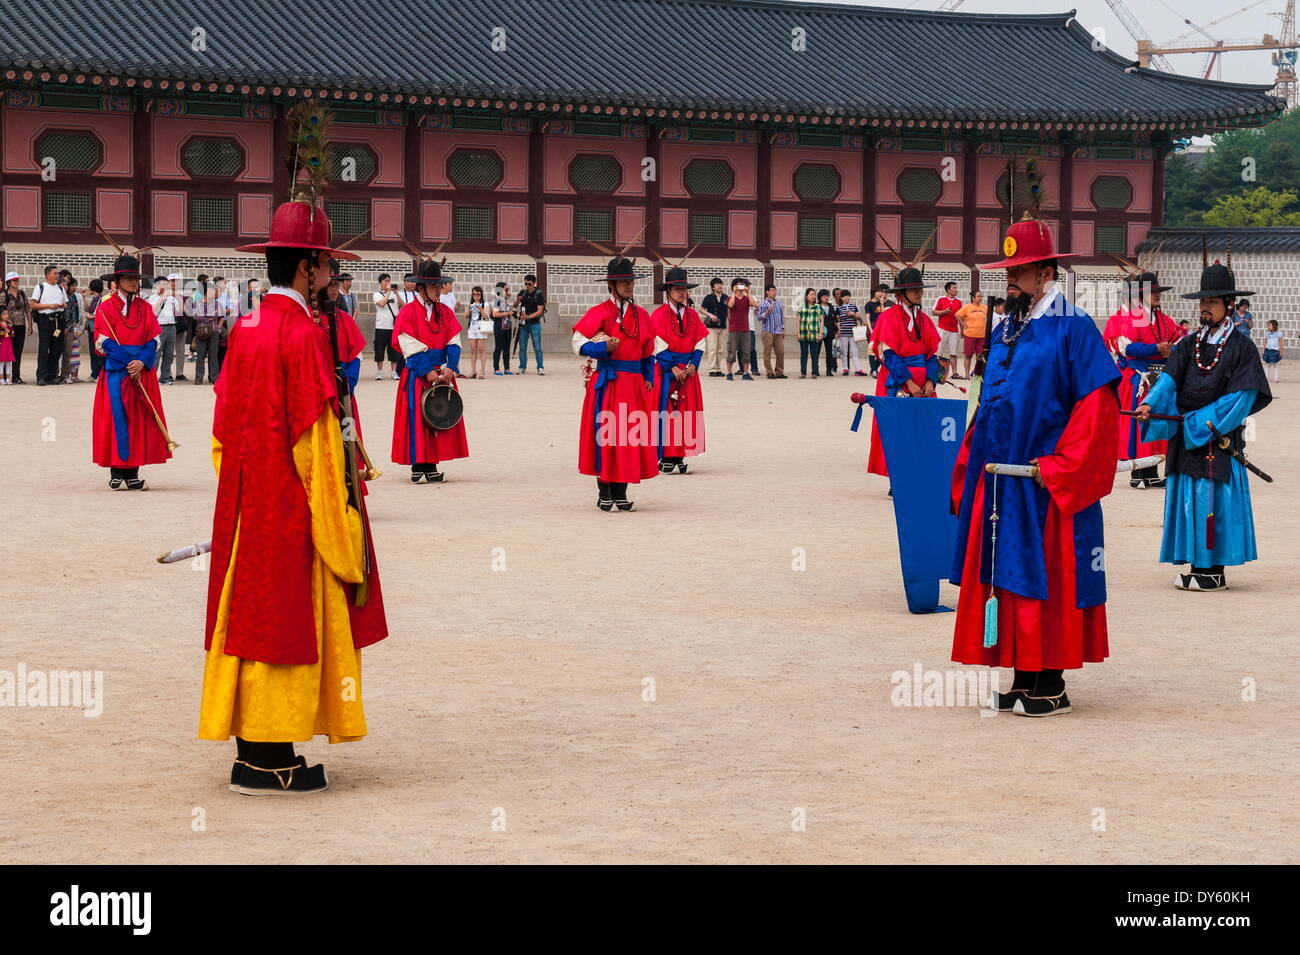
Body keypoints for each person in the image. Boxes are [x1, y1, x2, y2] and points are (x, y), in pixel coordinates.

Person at [201, 198, 387, 794]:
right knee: (286, 624)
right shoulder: (302, 334)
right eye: (327, 264)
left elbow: (222, 429)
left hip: (245, 498)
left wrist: (241, 485)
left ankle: (250, 751)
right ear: (308, 267)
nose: (331, 274)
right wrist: (339, 516)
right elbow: (317, 440)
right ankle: (269, 758)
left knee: (245, 619)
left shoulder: (248, 327)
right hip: (289, 503)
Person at [950, 218, 1120, 717]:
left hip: (1044, 481)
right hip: (1002, 478)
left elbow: (1097, 407)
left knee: (1051, 577)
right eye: (1009, 271)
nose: (1011, 280)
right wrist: (972, 459)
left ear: (1047, 272)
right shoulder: (1005, 327)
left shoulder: (1074, 327)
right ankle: (1022, 676)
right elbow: (991, 401)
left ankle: (1052, 682)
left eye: (1021, 271)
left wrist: (1062, 466)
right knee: (1007, 577)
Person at [1135, 255, 1272, 592]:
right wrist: (1151, 403)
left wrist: (1199, 421)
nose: (1205, 309)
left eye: (1212, 302)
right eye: (1203, 302)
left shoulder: (1242, 347)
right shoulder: (1189, 344)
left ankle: (1213, 572)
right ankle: (1197, 566)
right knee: (1187, 501)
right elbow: (1169, 379)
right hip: (1186, 433)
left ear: (1229, 304)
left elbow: (1242, 398)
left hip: (1216, 437)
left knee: (1213, 503)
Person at [573, 253, 659, 510]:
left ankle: (621, 492)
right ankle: (604, 491)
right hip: (608, 383)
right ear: (612, 285)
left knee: (628, 437)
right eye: (624, 282)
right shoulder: (599, 312)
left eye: (631, 281)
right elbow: (578, 343)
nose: (629, 286)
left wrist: (648, 377)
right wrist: (603, 349)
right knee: (607, 435)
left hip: (633, 385)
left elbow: (649, 350)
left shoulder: (641, 314)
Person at [90, 254, 172, 490]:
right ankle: (117, 472)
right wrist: (129, 362)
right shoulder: (105, 308)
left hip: (141, 373)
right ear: (117, 280)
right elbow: (102, 341)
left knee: (139, 421)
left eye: (136, 278)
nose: (134, 282)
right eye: (129, 278)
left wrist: (142, 362)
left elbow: (154, 339)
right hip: (117, 372)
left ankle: (133, 472)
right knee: (116, 420)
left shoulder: (145, 308)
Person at [391, 259, 468, 484]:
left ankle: (432, 464)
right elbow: (406, 343)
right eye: (435, 287)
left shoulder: (444, 311)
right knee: (417, 417)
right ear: (421, 288)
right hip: (417, 373)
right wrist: (426, 371)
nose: (439, 291)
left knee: (439, 417)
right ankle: (418, 464)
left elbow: (454, 340)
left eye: (439, 286)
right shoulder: (407, 313)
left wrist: (451, 367)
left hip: (442, 373)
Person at [1108, 270, 1185, 489]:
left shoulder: (1163, 319)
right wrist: (1155, 348)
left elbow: (1178, 337)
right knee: (1139, 425)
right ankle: (1137, 472)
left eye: (1158, 291)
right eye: (1153, 292)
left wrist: (1173, 349)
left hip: (1160, 380)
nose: (1157, 295)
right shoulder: (1127, 318)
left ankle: (1151, 471)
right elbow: (1125, 346)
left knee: (1158, 422)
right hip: (1138, 380)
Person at [865, 269, 941, 477]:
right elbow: (889, 356)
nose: (918, 294)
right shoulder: (888, 317)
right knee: (897, 430)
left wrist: (930, 381)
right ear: (900, 293)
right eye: (913, 290)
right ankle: (897, 478)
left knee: (922, 429)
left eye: (919, 290)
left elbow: (931, 354)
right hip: (896, 380)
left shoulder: (924, 319)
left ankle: (917, 473)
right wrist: (909, 383)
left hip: (923, 383)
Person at [650, 265, 708, 473]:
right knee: (667, 413)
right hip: (667, 372)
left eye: (684, 288)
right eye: (677, 289)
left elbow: (700, 342)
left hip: (688, 373)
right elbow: (656, 343)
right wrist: (672, 367)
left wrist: (694, 364)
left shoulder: (692, 315)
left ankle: (680, 455)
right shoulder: (658, 314)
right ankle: (666, 455)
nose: (682, 292)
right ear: (668, 291)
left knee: (686, 413)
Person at [31, 264, 68, 386]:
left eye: (57, 273)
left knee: (56, 349)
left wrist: (62, 305)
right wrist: (49, 306)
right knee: (43, 349)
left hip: (59, 321)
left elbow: (66, 304)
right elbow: (33, 305)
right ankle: (41, 376)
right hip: (45, 320)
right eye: (55, 273)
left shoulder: (60, 288)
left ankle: (52, 376)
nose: (57, 275)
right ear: (47, 275)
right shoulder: (40, 287)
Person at [191, 284, 225, 385]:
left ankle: (214, 377)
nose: (213, 293)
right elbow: (195, 316)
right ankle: (198, 378)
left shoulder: (217, 304)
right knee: (200, 355)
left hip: (214, 331)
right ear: (205, 293)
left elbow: (221, 316)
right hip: (201, 331)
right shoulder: (198, 303)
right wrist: (207, 318)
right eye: (211, 291)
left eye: (214, 291)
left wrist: (218, 327)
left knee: (213, 355)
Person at [148, 276, 179, 384]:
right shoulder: (152, 298)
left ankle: (165, 378)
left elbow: (180, 310)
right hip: (159, 327)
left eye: (167, 284)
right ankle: (151, 378)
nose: (166, 286)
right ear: (157, 285)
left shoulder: (171, 298)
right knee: (156, 353)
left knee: (169, 355)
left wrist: (176, 296)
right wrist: (162, 298)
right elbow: (152, 311)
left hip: (171, 327)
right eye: (163, 284)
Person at [724, 278, 756, 381]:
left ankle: (746, 373)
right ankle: (729, 373)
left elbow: (755, 304)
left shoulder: (746, 298)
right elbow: (730, 305)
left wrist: (748, 292)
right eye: (739, 285)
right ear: (734, 286)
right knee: (731, 352)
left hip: (745, 329)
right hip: (733, 330)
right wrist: (734, 292)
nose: (741, 287)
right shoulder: (730, 298)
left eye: (742, 285)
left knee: (746, 352)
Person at [372, 273, 402, 380]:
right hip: (381, 326)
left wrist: (397, 293)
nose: (387, 283)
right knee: (379, 349)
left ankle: (393, 371)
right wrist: (389, 292)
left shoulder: (394, 294)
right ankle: (380, 372)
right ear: (380, 283)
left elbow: (403, 305)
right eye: (385, 281)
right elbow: (382, 304)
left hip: (393, 327)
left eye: (388, 281)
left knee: (393, 350)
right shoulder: (377, 294)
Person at [2, 272, 30, 384]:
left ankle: (16, 376)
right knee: (6, 351)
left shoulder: (22, 294)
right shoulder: (3, 295)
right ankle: (4, 376)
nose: (17, 282)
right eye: (14, 280)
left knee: (17, 352)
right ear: (8, 282)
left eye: (17, 280)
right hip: (7, 328)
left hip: (21, 326)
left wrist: (30, 325)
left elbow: (27, 309)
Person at [517, 273, 546, 375]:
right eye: (525, 284)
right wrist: (517, 299)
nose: (527, 286)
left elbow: (540, 310)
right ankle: (522, 366)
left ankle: (540, 367)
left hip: (534, 323)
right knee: (522, 347)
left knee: (537, 347)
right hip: (523, 324)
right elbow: (515, 305)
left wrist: (528, 317)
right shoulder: (523, 292)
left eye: (529, 284)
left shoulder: (538, 294)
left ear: (534, 283)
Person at [955, 290, 987, 380]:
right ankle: (967, 375)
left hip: (982, 336)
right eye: (978, 296)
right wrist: (963, 324)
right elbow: (957, 315)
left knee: (980, 356)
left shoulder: (985, 308)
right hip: (970, 334)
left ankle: (977, 374)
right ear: (973, 298)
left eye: (981, 296)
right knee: (968, 355)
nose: (980, 298)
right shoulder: (967, 307)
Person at [933, 281, 964, 375]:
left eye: (956, 287)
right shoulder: (941, 299)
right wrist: (945, 311)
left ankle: (954, 373)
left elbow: (960, 316)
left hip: (954, 330)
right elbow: (934, 312)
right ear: (948, 290)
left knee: (953, 353)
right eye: (954, 288)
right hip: (942, 329)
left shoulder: (959, 302)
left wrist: (962, 329)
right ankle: (935, 372)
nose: (956, 289)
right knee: (939, 351)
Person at [700, 277, 729, 377]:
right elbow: (702, 309)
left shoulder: (726, 297)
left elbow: (729, 311)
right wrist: (710, 315)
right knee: (712, 348)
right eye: (717, 284)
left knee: (721, 350)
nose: (720, 285)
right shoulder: (708, 297)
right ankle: (712, 369)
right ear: (713, 287)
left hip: (723, 327)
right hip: (711, 327)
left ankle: (718, 368)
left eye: (720, 284)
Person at [757, 284, 786, 379]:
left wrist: (783, 329)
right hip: (767, 331)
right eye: (772, 290)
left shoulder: (778, 303)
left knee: (780, 352)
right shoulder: (763, 304)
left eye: (775, 290)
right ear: (767, 292)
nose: (774, 292)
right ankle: (770, 372)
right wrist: (767, 312)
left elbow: (781, 316)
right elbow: (759, 317)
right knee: (767, 353)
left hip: (778, 331)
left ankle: (779, 371)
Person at [60, 275, 84, 383]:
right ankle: (54, 375)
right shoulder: (58, 296)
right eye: (63, 285)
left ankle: (66, 375)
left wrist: (73, 325)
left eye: (66, 285)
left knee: (69, 352)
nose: (65, 287)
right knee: (56, 353)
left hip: (71, 329)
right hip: (59, 328)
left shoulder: (72, 298)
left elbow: (74, 313)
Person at [835, 290, 864, 377]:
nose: (848, 297)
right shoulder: (838, 308)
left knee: (854, 351)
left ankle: (858, 369)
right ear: (842, 298)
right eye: (846, 296)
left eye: (849, 296)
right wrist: (838, 330)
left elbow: (859, 317)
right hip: (843, 332)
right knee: (844, 352)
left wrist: (853, 314)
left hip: (853, 332)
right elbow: (837, 321)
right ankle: (845, 369)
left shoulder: (854, 306)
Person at [796, 287, 823, 379]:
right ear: (807, 296)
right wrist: (798, 333)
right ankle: (803, 373)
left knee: (814, 354)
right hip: (803, 334)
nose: (813, 296)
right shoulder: (801, 307)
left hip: (814, 334)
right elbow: (798, 320)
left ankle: (814, 373)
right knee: (804, 354)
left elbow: (821, 321)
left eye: (814, 294)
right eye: (811, 294)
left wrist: (821, 333)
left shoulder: (818, 307)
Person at [863, 285, 890, 376]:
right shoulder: (869, 304)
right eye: (878, 291)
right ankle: (874, 370)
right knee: (872, 349)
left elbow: (884, 315)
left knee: (881, 349)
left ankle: (876, 368)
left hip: (881, 327)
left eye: (880, 292)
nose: (880, 293)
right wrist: (870, 329)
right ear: (873, 293)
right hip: (872, 327)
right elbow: (867, 318)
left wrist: (882, 303)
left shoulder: (881, 303)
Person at [464, 285, 489, 379]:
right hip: (472, 328)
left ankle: (482, 371)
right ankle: (473, 371)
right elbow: (465, 316)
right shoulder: (470, 303)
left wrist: (480, 309)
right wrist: (469, 308)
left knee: (482, 350)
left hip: (481, 328)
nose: (476, 296)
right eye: (474, 294)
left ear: (481, 294)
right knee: (473, 351)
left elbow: (486, 316)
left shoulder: (485, 303)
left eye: (478, 294)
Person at [491, 280, 514, 375]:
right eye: (506, 289)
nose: (508, 291)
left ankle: (507, 367)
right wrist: (508, 313)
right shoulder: (497, 301)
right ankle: (496, 368)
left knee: (507, 348)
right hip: (499, 327)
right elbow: (495, 314)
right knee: (499, 347)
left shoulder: (504, 301)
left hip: (507, 327)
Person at [86, 279, 106, 381]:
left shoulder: (101, 299)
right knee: (92, 352)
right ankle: (94, 373)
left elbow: (101, 313)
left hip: (97, 329)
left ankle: (96, 374)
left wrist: (91, 317)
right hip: (91, 329)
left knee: (98, 352)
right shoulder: (94, 299)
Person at [819, 288, 838, 377]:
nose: (826, 297)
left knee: (829, 352)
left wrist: (836, 331)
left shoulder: (831, 307)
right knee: (817, 351)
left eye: (827, 296)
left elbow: (835, 320)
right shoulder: (817, 307)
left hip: (830, 332)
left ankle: (829, 370)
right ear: (820, 297)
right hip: (819, 332)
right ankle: (815, 369)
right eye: (824, 296)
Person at [0, 306, 14, 384]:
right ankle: (1, 379)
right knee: (1, 362)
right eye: (4, 314)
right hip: (1, 344)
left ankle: (8, 379)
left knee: (9, 362)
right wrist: (4, 329)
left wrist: (10, 332)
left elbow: (13, 334)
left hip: (8, 344)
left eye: (7, 314)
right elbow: (1, 334)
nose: (6, 316)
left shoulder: (10, 323)